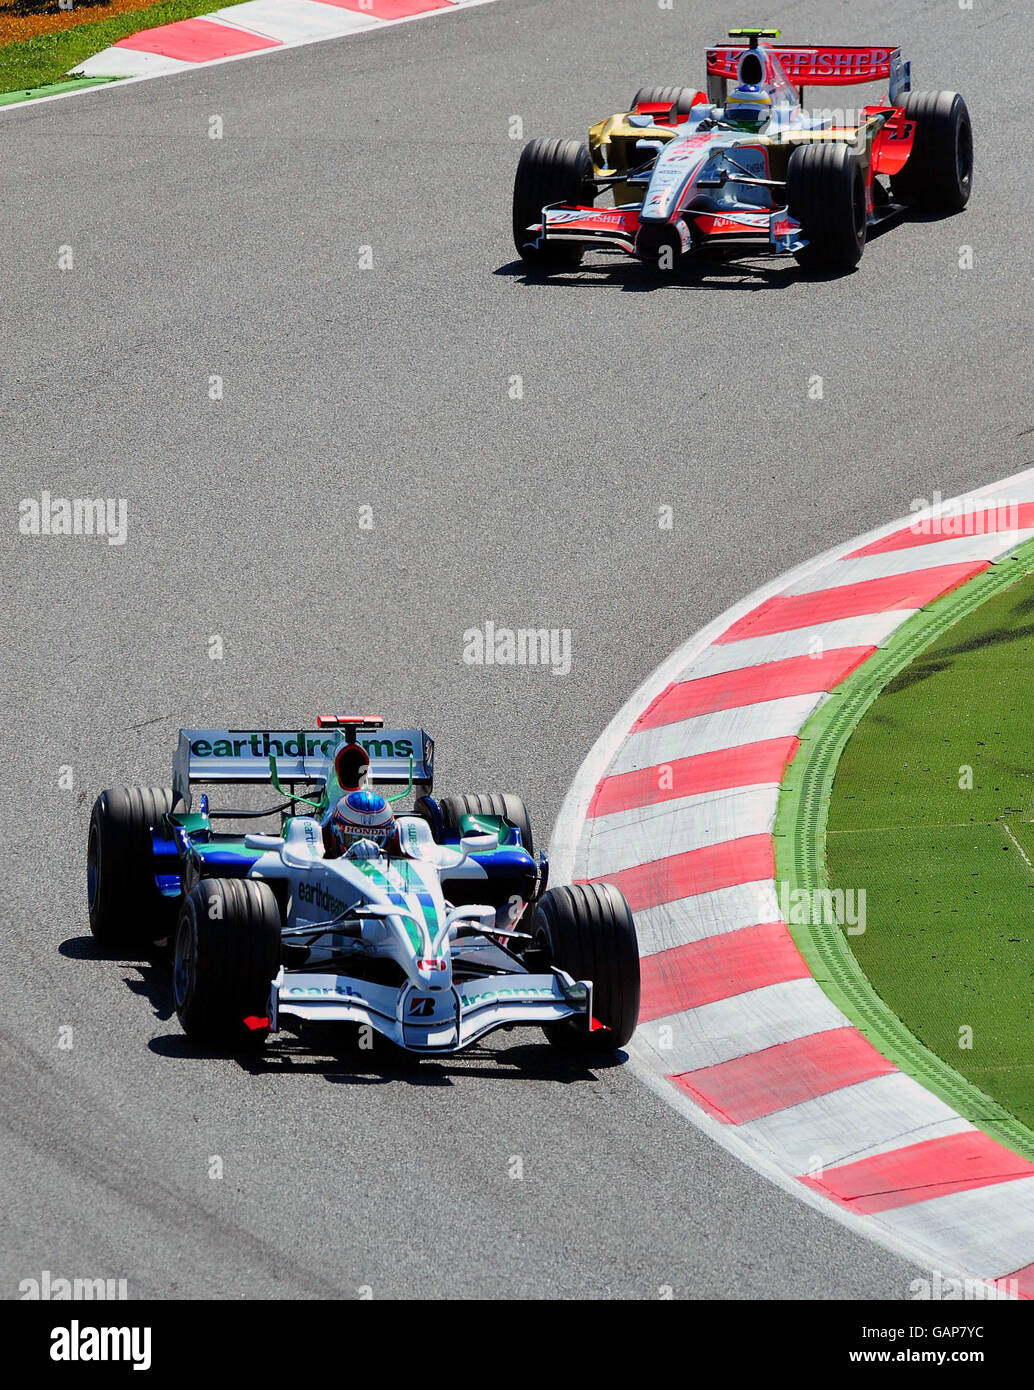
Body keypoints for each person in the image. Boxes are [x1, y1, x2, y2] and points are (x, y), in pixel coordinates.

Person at [322, 741, 398, 857]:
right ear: (335, 832)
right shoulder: (321, 836)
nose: (365, 847)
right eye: (354, 839)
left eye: (375, 839)